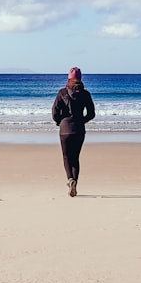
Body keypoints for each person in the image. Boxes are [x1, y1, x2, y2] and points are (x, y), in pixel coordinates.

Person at [51, 66, 95, 197]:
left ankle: (70, 179)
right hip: (79, 130)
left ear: (68, 79)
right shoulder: (86, 94)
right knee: (75, 158)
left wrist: (59, 121)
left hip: (65, 130)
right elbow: (91, 113)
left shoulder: (62, 92)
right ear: (80, 79)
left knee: (66, 157)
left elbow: (54, 112)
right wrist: (82, 121)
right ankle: (75, 181)